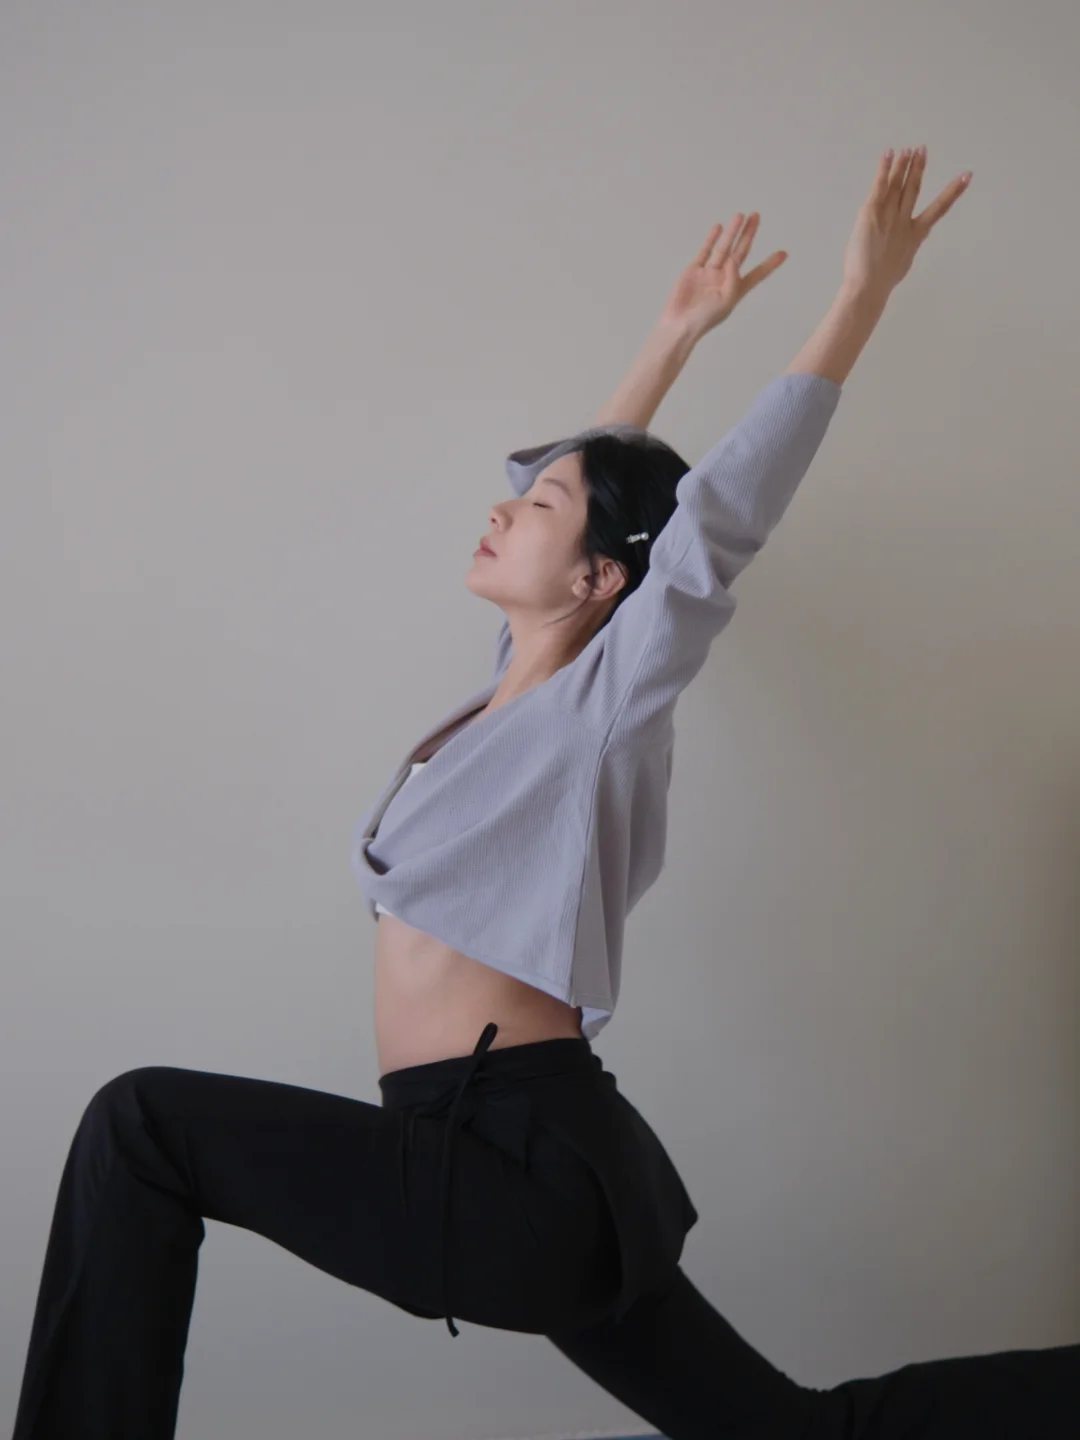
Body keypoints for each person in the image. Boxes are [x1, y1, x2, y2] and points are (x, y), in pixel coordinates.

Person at [11, 146, 1078, 1440]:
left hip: (512, 1160)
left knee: (139, 1126)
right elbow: (600, 525)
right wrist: (670, 338)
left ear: (600, 581)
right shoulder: (503, 709)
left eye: (543, 505)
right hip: (504, 1156)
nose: (505, 509)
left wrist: (857, 298)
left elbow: (714, 523)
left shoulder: (601, 710)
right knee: (793, 1434)